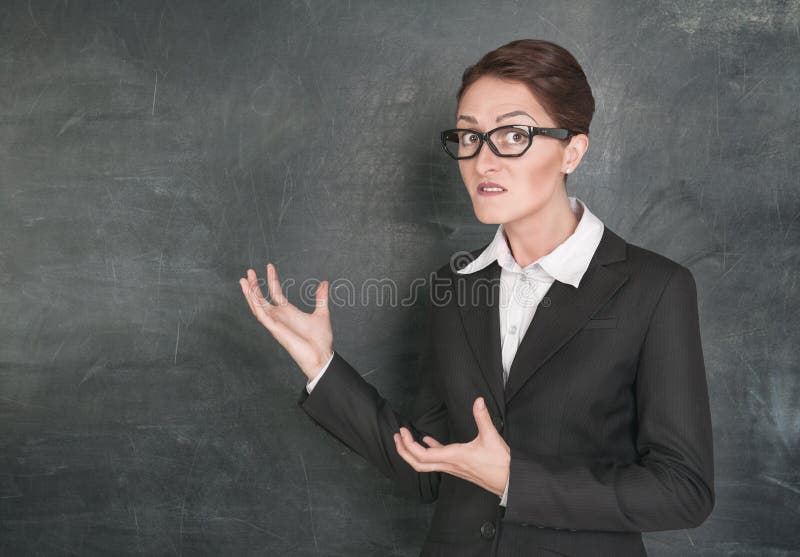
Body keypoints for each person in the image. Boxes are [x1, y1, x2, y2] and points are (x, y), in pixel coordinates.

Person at [239, 39, 714, 557]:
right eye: (469, 136)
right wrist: (321, 366)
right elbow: (427, 469)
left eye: (513, 134)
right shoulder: (454, 285)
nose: (483, 160)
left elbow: (683, 491)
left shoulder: (655, 286)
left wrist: (515, 480)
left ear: (572, 150)